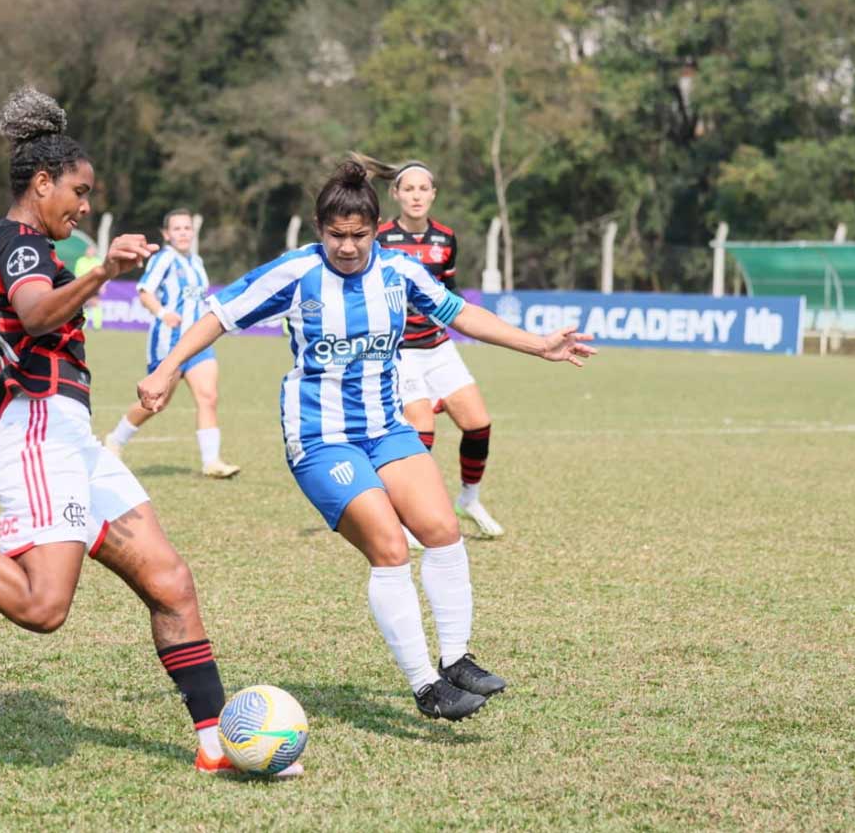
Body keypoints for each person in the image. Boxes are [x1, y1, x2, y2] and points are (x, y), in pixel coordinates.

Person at [0, 87, 284, 775]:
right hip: (38, 432)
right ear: (42, 184)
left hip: (70, 441)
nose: (86, 205)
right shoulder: (25, 250)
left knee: (171, 582)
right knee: (43, 607)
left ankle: (216, 745)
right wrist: (104, 271)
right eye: (79, 191)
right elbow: (36, 315)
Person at [138, 160, 596, 721]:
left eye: (359, 236)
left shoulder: (400, 272)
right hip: (321, 436)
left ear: (376, 229)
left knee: (443, 530)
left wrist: (539, 345)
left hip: (386, 428)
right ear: (318, 228)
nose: (348, 247)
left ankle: (456, 659)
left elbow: (463, 316)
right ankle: (426, 685)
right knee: (390, 547)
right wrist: (166, 369)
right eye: (337, 236)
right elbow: (218, 316)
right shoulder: (296, 272)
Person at [359, 154, 505, 538]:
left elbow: (450, 292)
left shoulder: (445, 238)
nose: (416, 196)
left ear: (433, 194)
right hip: (400, 351)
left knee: (478, 424)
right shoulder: (381, 239)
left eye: (423, 188)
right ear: (395, 194)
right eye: (408, 189)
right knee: (421, 428)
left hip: (439, 347)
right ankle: (408, 514)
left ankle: (469, 500)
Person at [103, 210, 239, 478]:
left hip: (198, 344)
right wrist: (164, 313)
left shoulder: (197, 261)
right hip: (169, 342)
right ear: (166, 234)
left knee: (208, 397)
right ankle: (115, 441)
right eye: (177, 229)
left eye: (187, 228)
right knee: (158, 402)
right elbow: (144, 292)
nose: (183, 233)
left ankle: (211, 462)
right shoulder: (164, 259)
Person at [72, 243, 104, 330]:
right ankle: (83, 325)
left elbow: (102, 275)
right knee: (83, 305)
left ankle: (97, 326)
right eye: (89, 250)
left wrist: (102, 286)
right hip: (83, 285)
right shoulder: (80, 261)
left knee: (95, 304)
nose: (90, 252)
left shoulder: (97, 261)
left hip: (94, 285)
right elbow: (77, 275)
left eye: (92, 251)